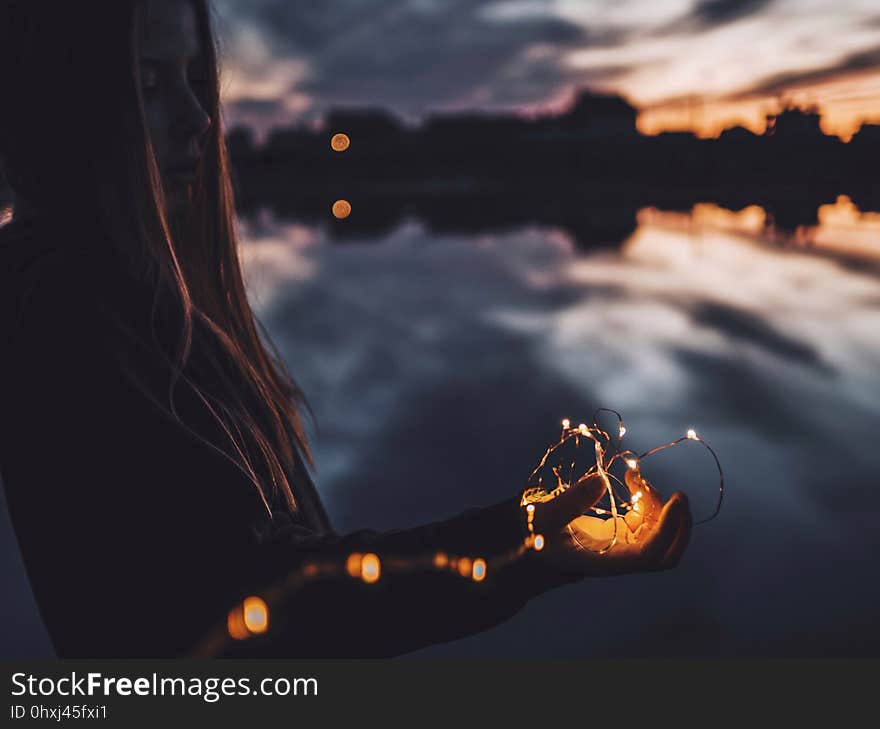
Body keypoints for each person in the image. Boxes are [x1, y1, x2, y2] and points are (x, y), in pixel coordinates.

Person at [0, 0, 691, 659]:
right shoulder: (70, 310)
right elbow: (269, 602)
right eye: (150, 84)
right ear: (62, 102)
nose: (199, 118)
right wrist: (527, 544)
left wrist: (529, 543)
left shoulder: (133, 296)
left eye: (192, 78)